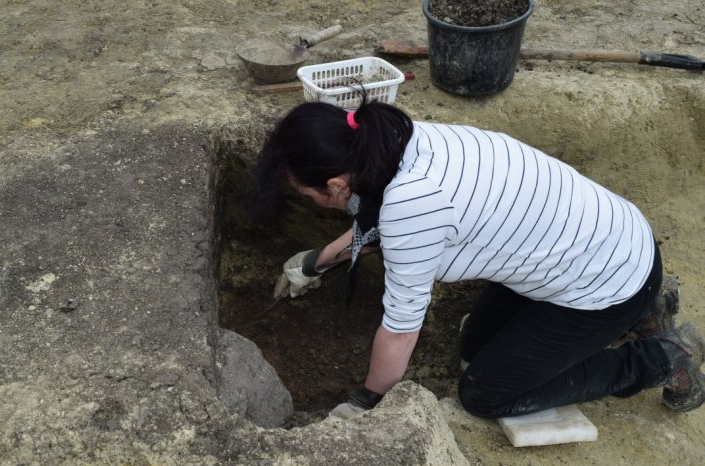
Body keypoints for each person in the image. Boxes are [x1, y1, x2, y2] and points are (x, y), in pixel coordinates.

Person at [253, 97, 704, 420]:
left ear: (335, 184)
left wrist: (366, 399)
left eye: (306, 192)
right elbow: (379, 222)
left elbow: (399, 330)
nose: (309, 201)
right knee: (473, 348)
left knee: (484, 394)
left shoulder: (413, 206)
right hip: (603, 238)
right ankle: (649, 305)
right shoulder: (391, 139)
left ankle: (662, 357)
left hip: (605, 281)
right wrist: (317, 260)